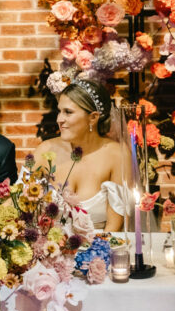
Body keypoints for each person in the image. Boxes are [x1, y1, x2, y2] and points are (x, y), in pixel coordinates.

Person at [30, 79, 125, 232]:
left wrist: (95, 253)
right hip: (51, 249)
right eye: (59, 111)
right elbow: (21, 202)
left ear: (93, 118)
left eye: (68, 112)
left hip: (100, 249)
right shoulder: (46, 150)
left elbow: (114, 226)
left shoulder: (115, 154)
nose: (59, 119)